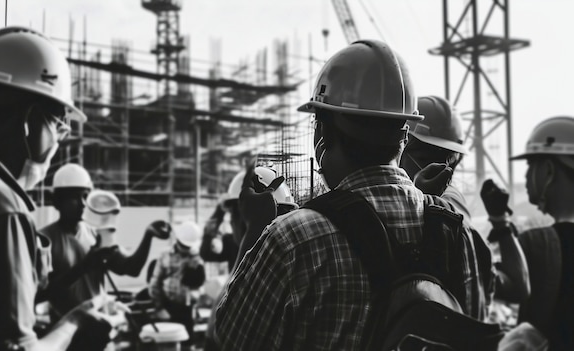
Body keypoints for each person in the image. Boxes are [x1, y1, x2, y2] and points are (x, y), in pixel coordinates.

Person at [212, 40, 494, 350]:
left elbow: (225, 339)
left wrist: (254, 230)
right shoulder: (456, 232)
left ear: (322, 132)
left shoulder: (293, 239)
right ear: (404, 135)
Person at [0, 26, 114, 350]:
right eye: (58, 126)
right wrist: (75, 322)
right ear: (30, 121)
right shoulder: (1, 208)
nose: (57, 141)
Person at [401, 95, 529, 304]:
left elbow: (516, 288)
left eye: (449, 160)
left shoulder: (452, 211)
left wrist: (501, 222)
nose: (440, 169)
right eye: (425, 158)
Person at [482, 116, 574, 349]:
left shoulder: (538, 243)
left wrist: (500, 224)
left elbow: (505, 287)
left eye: (532, 165)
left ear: (549, 170)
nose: (526, 175)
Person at [38, 163, 168, 324]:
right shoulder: (44, 240)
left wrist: (148, 236)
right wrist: (84, 266)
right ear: (56, 200)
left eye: (85, 196)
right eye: (73, 197)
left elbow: (131, 269)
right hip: (64, 333)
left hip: (98, 327)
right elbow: (41, 294)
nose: (82, 203)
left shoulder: (96, 234)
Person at [200, 166, 298, 271]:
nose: (232, 222)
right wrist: (217, 216)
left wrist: (218, 214)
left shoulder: (286, 255)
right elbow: (206, 254)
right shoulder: (233, 244)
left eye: (234, 216)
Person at [149, 221, 206, 350]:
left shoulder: (196, 258)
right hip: (168, 306)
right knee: (169, 345)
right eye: (183, 245)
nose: (185, 249)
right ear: (178, 240)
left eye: (188, 246)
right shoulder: (165, 255)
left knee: (188, 345)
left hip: (187, 309)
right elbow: (154, 283)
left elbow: (199, 283)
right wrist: (159, 308)